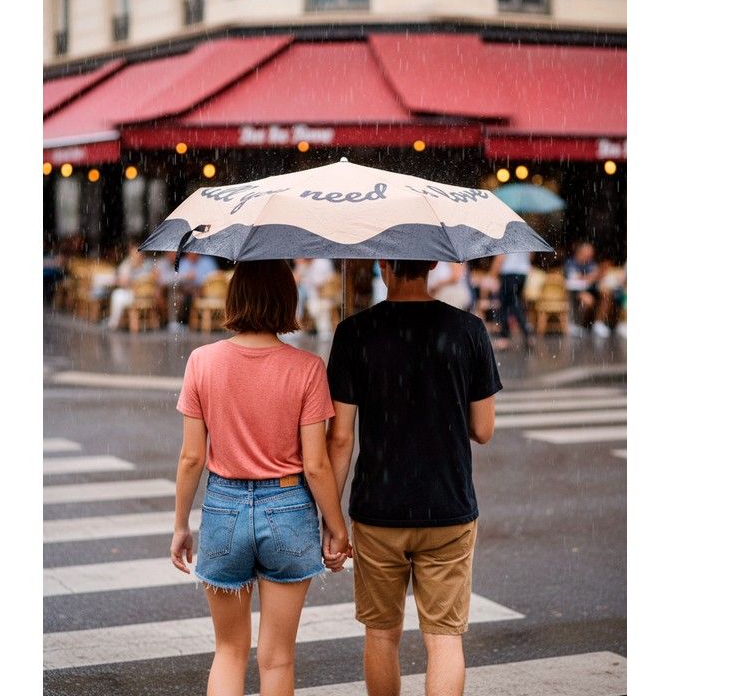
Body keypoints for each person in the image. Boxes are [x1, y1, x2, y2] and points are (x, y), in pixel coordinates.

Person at [170, 259, 350, 696]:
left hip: (223, 508)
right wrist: (336, 525)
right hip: (288, 509)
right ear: (287, 300)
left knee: (229, 651)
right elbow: (316, 464)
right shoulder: (307, 368)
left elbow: (192, 457)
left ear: (235, 298)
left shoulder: (202, 362)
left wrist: (180, 525)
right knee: (277, 658)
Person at [323, 259, 501, 696]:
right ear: (434, 263)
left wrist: (331, 519)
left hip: (378, 509)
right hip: (448, 505)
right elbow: (483, 429)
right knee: (444, 638)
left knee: (382, 634)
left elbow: (340, 438)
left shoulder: (354, 332)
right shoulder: (468, 330)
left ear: (384, 263)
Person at [106, 242, 156, 330]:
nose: (136, 256)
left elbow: (155, 276)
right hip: (139, 296)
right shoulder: (128, 265)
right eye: (134, 254)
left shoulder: (148, 264)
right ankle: (115, 322)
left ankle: (114, 323)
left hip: (143, 297)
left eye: (137, 253)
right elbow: (122, 281)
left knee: (117, 295)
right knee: (117, 294)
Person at [564, 242, 608, 337]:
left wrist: (592, 276)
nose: (590, 256)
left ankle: (598, 323)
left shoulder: (591, 263)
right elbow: (574, 278)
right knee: (588, 300)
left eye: (591, 253)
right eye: (588, 253)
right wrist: (590, 277)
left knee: (606, 294)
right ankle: (577, 324)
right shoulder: (571, 263)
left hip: (590, 289)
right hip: (575, 291)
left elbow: (596, 275)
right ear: (580, 252)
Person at [490, 251, 533, 350]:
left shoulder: (505, 239)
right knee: (515, 302)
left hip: (509, 273)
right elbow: (530, 255)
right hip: (523, 273)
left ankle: (506, 337)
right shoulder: (524, 240)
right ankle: (527, 334)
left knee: (507, 305)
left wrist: (492, 275)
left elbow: (500, 257)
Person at [293, 258, 336, 340]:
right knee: (296, 295)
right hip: (306, 291)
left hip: (321, 292)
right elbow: (294, 281)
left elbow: (325, 281)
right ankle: (297, 325)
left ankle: (323, 331)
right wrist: (302, 267)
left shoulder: (322, 263)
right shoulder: (302, 264)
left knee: (314, 304)